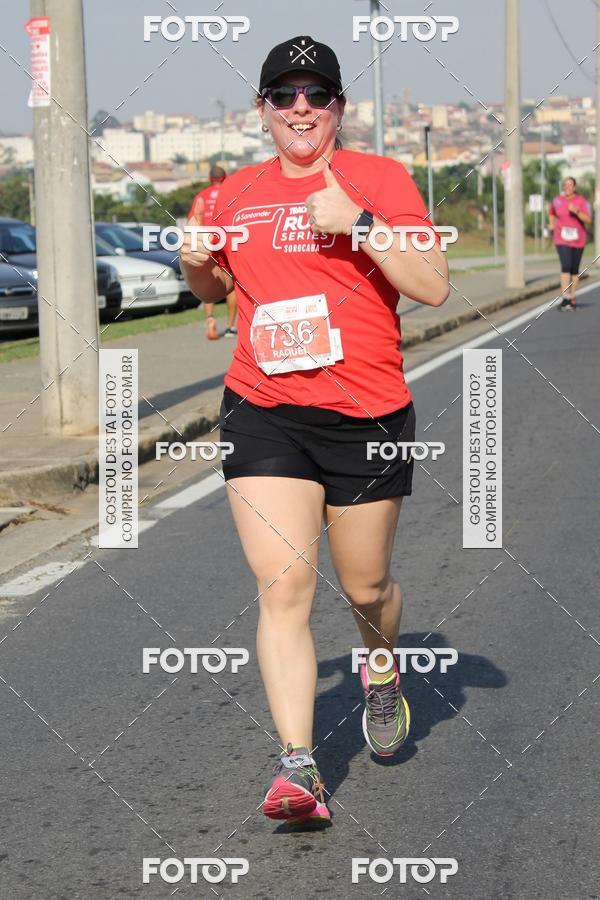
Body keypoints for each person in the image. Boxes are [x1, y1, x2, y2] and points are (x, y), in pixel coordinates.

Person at [180, 36, 449, 825]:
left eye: (317, 95)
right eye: (285, 95)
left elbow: (431, 285)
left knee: (365, 585)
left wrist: (360, 221)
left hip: (366, 411)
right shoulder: (232, 193)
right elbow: (214, 286)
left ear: (339, 107)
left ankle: (381, 667)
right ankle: (299, 767)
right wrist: (197, 263)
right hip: (263, 410)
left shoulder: (380, 179)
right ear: (262, 110)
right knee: (285, 586)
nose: (302, 108)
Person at [188, 165, 238, 338]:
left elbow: (193, 220)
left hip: (206, 242)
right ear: (225, 178)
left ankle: (210, 318)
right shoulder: (231, 192)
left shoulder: (201, 195)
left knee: (207, 281)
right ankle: (231, 326)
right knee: (232, 286)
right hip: (227, 240)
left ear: (210, 179)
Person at [548, 176, 592, 310]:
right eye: (565, 185)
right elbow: (551, 212)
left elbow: (589, 219)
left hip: (578, 240)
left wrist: (577, 211)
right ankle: (565, 298)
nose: (567, 187)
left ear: (574, 187)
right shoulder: (557, 200)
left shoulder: (582, 201)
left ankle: (572, 297)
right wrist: (551, 223)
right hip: (561, 239)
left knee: (574, 269)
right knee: (566, 266)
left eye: (570, 185)